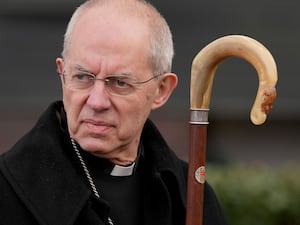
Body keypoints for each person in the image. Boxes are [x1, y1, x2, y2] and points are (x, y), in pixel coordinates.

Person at [0, 0, 228, 224]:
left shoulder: (190, 197)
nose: (97, 102)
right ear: (62, 74)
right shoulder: (8, 191)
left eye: (119, 82)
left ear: (161, 90)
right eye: (82, 77)